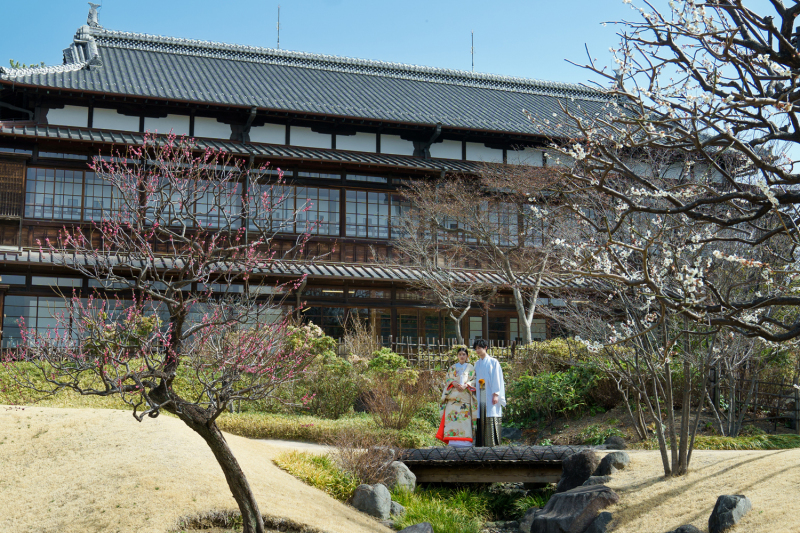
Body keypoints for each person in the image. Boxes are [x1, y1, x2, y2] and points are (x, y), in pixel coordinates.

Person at [435, 347, 477, 447]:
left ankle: (466, 441)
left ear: (467, 356)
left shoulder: (471, 367)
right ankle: (452, 441)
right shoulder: (452, 367)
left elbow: (474, 379)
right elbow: (447, 379)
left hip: (465, 396)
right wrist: (452, 382)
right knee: (452, 419)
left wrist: (467, 385)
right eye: (460, 354)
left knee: (465, 419)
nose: (462, 356)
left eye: (464, 354)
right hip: (453, 397)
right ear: (457, 356)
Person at [473, 338, 506, 447]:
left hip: (491, 393)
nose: (478, 350)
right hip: (481, 393)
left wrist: (496, 394)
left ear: (485, 348)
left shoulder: (493, 362)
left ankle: (492, 444)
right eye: (476, 348)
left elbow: (497, 378)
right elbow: (475, 379)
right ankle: (481, 444)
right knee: (481, 416)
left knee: (491, 415)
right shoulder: (477, 364)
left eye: (480, 348)